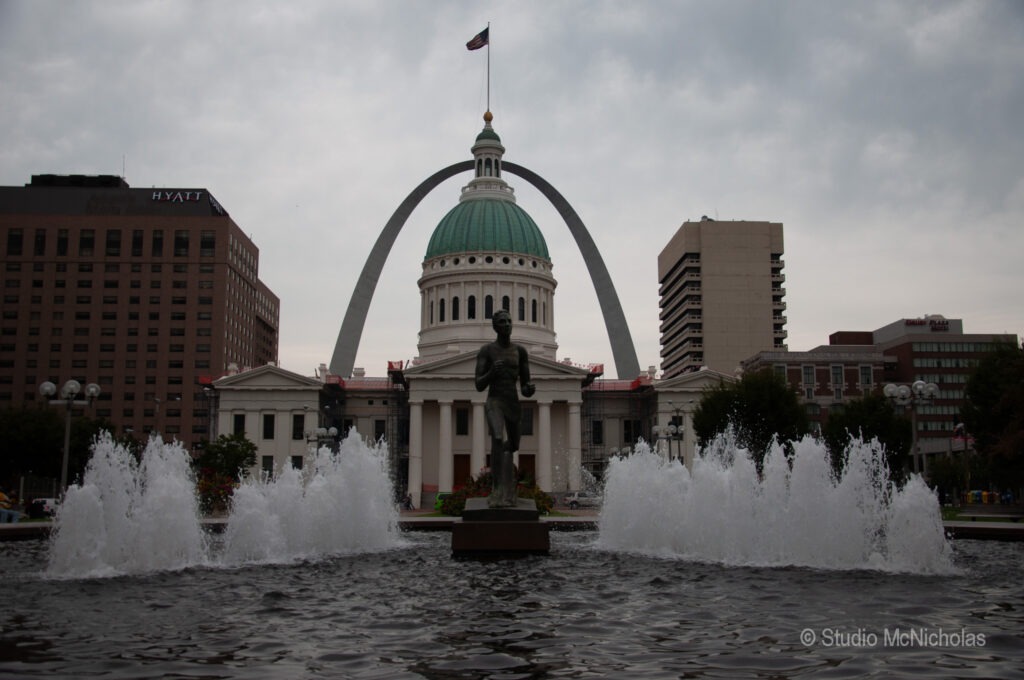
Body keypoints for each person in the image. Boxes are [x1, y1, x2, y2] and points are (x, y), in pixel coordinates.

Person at [474, 310, 535, 507]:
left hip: (512, 402)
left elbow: (525, 385)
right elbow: (479, 384)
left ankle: (507, 483)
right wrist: (492, 373)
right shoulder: (487, 351)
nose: (507, 324)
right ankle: (497, 488)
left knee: (513, 445)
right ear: (495, 326)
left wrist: (528, 389)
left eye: (509, 321)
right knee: (498, 438)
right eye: (502, 322)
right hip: (495, 401)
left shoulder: (520, 352)